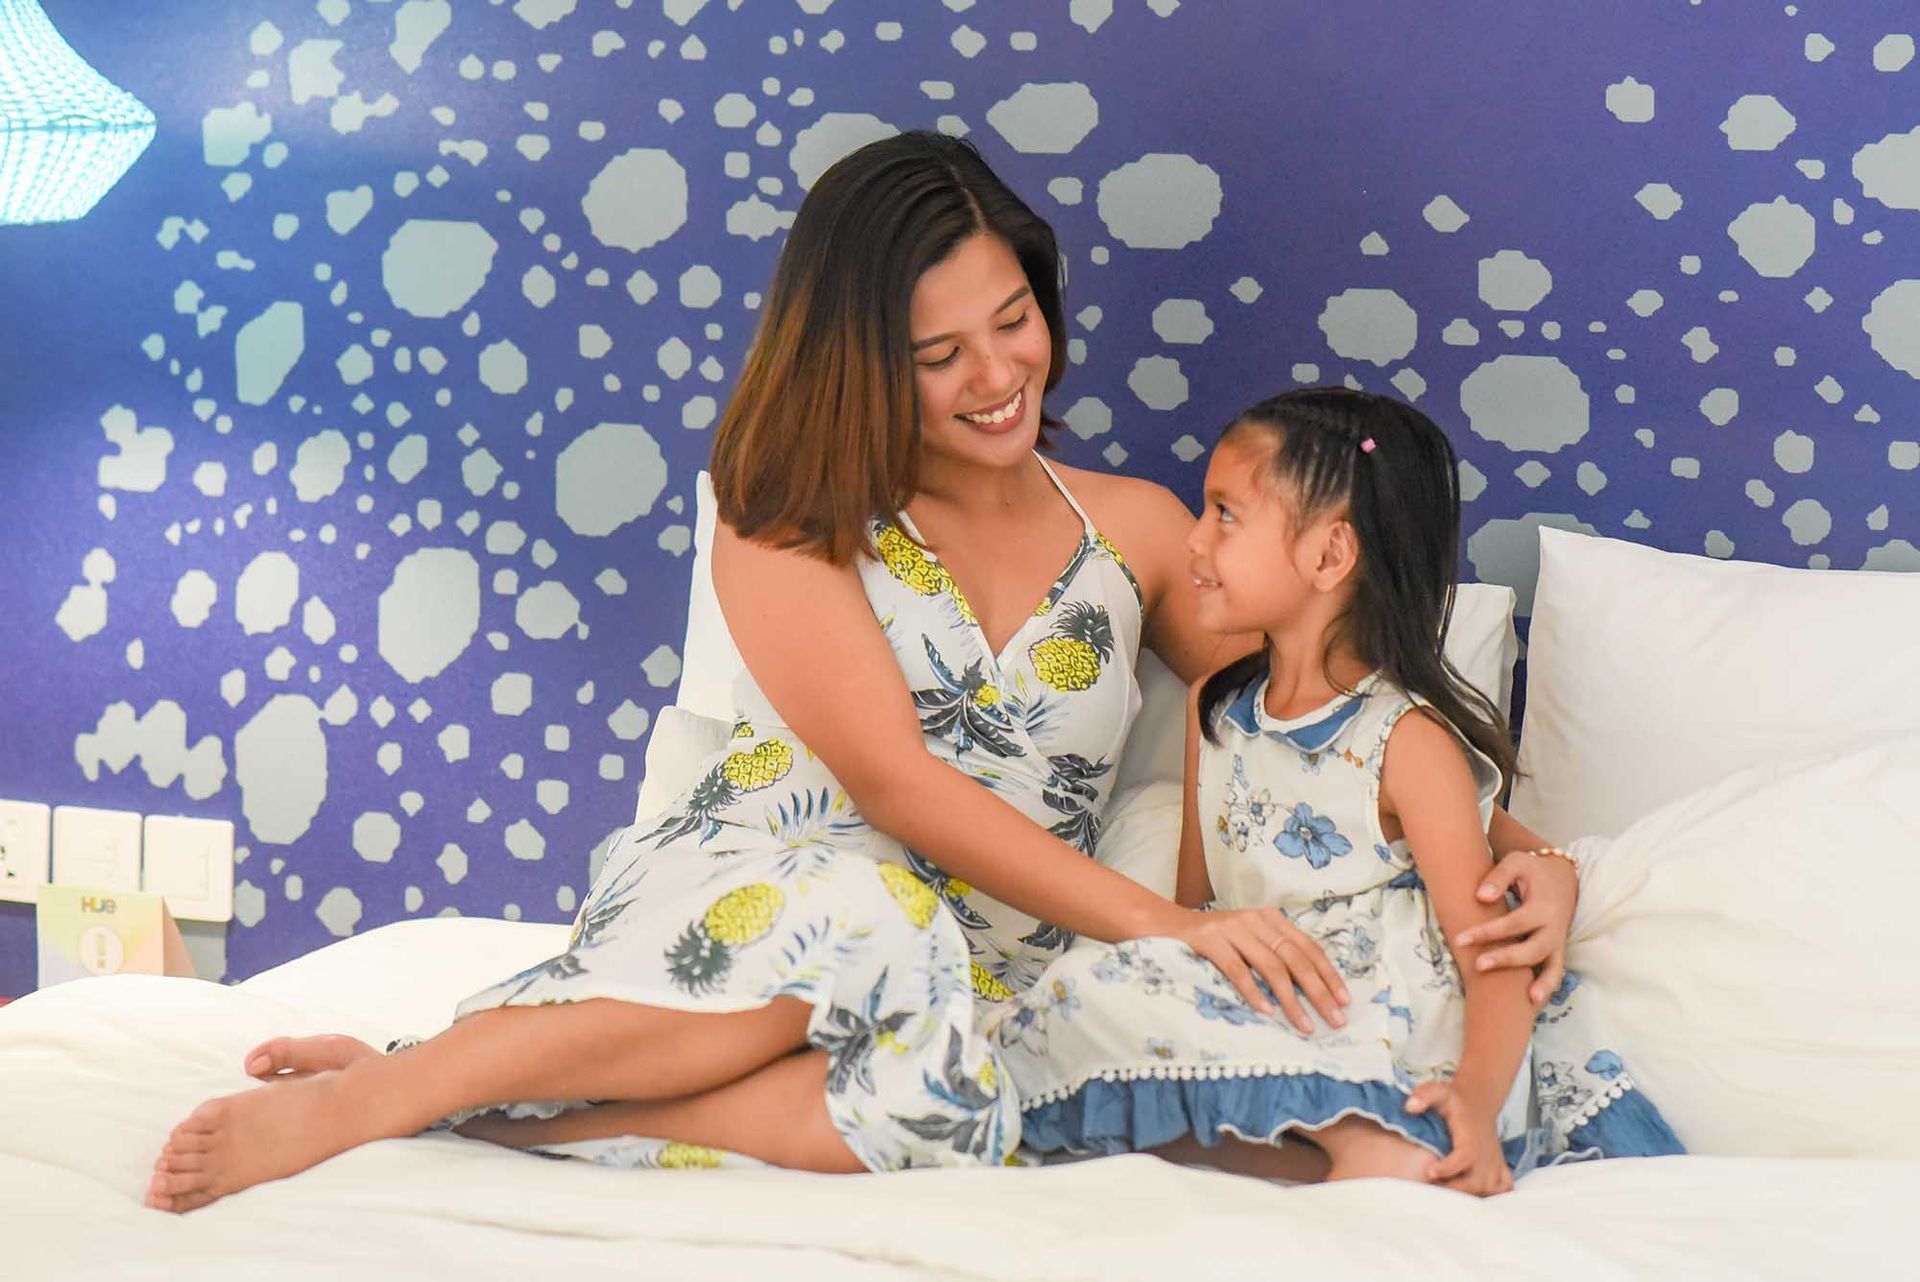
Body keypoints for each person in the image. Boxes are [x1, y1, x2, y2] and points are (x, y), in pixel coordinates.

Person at [144, 134, 1581, 1213]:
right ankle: (395, 1089)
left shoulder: (1136, 534)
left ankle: (496, 1114)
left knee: (958, 1097)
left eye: (1013, 320)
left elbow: (1324, 707)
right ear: (859, 361)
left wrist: (1521, 852)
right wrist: (1164, 918)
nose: (998, 374)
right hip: (784, 875)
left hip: (994, 949)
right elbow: (893, 781)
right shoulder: (788, 523)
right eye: (936, 353)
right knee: (863, 908)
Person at [996, 388, 1683, 1195]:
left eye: (1224, 514)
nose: (1193, 540)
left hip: (1383, 1015)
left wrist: (1475, 1097)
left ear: (1328, 556)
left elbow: (1490, 953)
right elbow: (1198, 907)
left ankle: (1393, 1132)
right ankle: (1336, 1156)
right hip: (1270, 994)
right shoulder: (1214, 708)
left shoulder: (1406, 739)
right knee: (1078, 995)